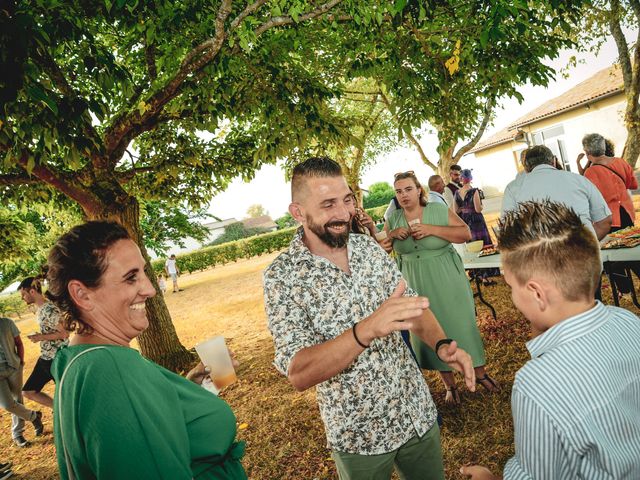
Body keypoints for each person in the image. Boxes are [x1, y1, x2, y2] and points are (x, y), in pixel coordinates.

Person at [264, 156, 476, 480]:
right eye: (328, 204)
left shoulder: (368, 248)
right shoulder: (282, 277)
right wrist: (365, 330)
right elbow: (299, 372)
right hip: (358, 434)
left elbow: (410, 306)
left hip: (415, 413)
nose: (343, 213)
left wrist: (443, 344)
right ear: (298, 212)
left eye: (347, 199)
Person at [46, 221, 247, 479]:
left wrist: (187, 391)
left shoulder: (79, 359)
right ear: (83, 295)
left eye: (143, 272)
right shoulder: (109, 368)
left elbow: (136, 428)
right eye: (131, 277)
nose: (150, 289)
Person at [461, 200, 640, 480]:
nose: (511, 297)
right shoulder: (627, 320)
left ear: (536, 293)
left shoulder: (536, 384)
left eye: (511, 286)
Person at [385, 171, 498, 405]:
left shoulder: (437, 210)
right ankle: (449, 385)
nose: (404, 195)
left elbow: (465, 233)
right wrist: (391, 236)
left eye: (408, 189)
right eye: (398, 191)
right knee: (428, 329)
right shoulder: (393, 218)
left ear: (419, 190)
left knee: (460, 322)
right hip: (413, 278)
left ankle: (480, 373)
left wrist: (430, 229)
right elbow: (382, 249)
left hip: (445, 274)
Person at [501, 145, 612, 240]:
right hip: (584, 255)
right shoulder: (579, 180)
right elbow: (605, 221)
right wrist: (589, 244)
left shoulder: (513, 188)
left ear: (526, 168)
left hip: (539, 258)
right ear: (553, 161)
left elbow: (507, 231)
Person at [17, 276, 68, 409]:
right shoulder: (41, 309)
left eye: (23, 294)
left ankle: (65, 412)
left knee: (67, 393)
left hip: (55, 358)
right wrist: (40, 336)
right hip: (46, 357)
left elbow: (64, 334)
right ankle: (60, 410)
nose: (22, 298)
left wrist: (40, 337)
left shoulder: (48, 309)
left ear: (32, 292)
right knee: (28, 391)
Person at [0, 317, 43, 448]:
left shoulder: (7, 323)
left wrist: (21, 362)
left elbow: (18, 342)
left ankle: (18, 433)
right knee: (8, 405)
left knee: (17, 400)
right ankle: (34, 416)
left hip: (13, 367)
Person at [454, 169, 499, 286]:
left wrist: (464, 209)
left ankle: (477, 274)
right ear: (471, 179)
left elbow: (455, 210)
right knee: (483, 246)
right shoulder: (474, 191)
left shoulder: (457, 193)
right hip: (476, 221)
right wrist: (481, 205)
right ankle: (486, 278)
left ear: (461, 179)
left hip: (465, 221)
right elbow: (478, 208)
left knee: (472, 247)